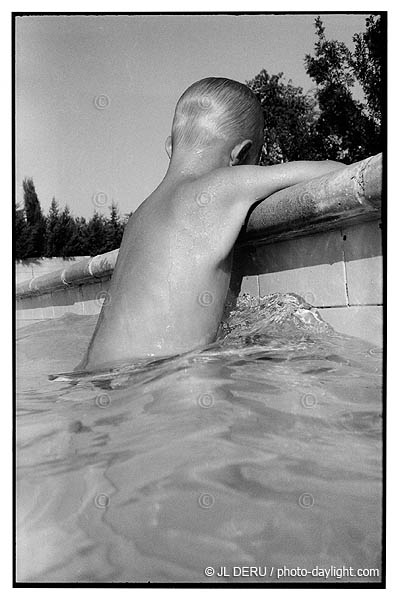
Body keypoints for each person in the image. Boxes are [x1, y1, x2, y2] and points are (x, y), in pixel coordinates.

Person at [79, 77, 344, 371]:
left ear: (170, 146)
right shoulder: (219, 188)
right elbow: (332, 173)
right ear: (240, 154)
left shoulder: (139, 216)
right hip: (162, 377)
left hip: (94, 375)